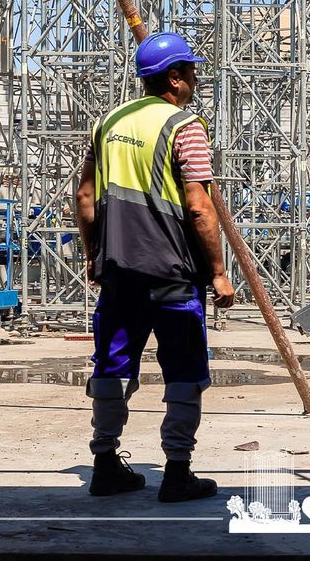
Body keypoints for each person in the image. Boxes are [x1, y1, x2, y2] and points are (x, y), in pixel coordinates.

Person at [75, 32, 236, 502]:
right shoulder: (185, 126)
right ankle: (177, 472)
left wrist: (93, 253)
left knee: (111, 364)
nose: (195, 78)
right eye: (191, 70)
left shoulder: (108, 122)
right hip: (172, 273)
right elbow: (199, 207)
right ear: (174, 78)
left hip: (119, 269)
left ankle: (104, 463)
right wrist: (219, 271)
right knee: (184, 368)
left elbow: (86, 196)